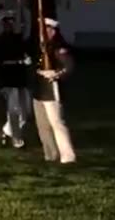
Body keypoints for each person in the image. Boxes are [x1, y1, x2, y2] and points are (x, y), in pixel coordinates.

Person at [33, 18, 76, 164]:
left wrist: (56, 74)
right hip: (39, 89)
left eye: (48, 29)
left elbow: (68, 66)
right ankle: (50, 154)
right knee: (43, 125)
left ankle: (67, 155)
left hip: (51, 89)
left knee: (57, 123)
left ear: (53, 31)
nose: (45, 33)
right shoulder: (40, 46)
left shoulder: (59, 47)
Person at [0, 11, 31, 148]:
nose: (10, 25)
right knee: (13, 111)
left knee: (25, 113)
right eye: (7, 22)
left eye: (11, 22)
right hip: (8, 79)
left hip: (21, 79)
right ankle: (17, 139)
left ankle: (5, 131)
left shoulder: (19, 39)